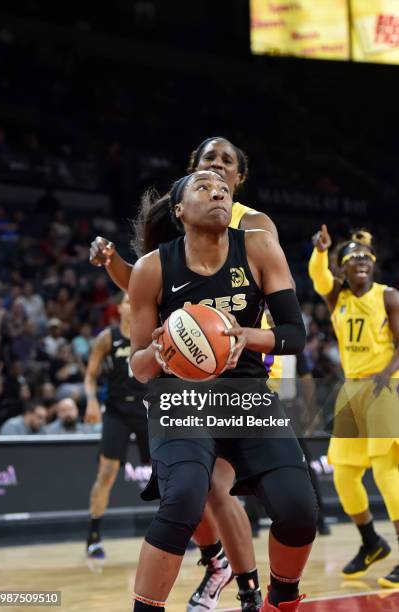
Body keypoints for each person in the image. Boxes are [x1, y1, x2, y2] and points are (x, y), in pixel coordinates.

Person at [90, 137, 287, 612]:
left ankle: (242, 585)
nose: (217, 170)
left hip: (241, 372)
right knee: (192, 493)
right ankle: (224, 568)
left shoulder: (255, 226)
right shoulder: (186, 212)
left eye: (227, 164)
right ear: (192, 173)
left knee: (213, 491)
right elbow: (150, 289)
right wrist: (115, 263)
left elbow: (277, 297)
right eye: (208, 162)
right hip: (182, 375)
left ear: (238, 178)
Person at [128, 170, 317, 612]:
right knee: (184, 498)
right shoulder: (152, 268)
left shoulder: (257, 247)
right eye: (203, 186)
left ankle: (280, 600)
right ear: (179, 211)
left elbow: (295, 333)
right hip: (181, 397)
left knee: (298, 512)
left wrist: (245, 337)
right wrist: (162, 350)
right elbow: (138, 368)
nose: (217, 191)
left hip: (246, 393)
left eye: (224, 188)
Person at [309, 224, 399, 588]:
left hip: (386, 386)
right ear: (342, 269)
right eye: (351, 259)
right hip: (351, 390)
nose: (359, 261)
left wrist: (387, 373)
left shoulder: (389, 296)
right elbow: (318, 277)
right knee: (344, 474)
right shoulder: (337, 299)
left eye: (365, 258)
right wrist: (320, 252)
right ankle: (370, 543)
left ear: (373, 265)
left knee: (385, 471)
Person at [84, 293, 150, 559]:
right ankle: (93, 537)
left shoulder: (149, 334)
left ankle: (186, 531)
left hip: (147, 409)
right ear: (119, 309)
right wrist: (90, 401)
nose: (131, 303)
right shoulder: (107, 337)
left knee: (168, 471)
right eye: (126, 300)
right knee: (107, 472)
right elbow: (90, 375)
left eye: (135, 299)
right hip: (117, 410)